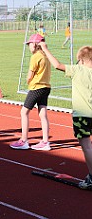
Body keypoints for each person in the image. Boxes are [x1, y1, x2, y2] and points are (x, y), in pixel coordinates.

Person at [40, 42, 92, 190]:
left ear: (81, 60)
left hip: (81, 116)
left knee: (87, 147)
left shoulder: (77, 70)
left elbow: (57, 65)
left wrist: (45, 49)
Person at [10, 34, 51, 151]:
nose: (29, 47)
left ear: (35, 44)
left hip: (36, 87)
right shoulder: (46, 55)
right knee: (43, 114)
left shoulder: (35, 57)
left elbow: (30, 75)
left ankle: (24, 140)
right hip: (46, 87)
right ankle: (45, 141)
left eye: (29, 44)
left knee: (24, 112)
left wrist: (28, 81)